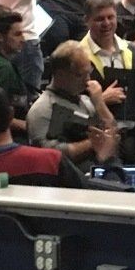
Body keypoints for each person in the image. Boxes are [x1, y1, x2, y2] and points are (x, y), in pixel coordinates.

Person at [25, 40, 122, 174]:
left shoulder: (87, 101)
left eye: (89, 72)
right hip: (67, 183)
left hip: (99, 174)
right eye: (80, 75)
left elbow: (113, 135)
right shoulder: (43, 109)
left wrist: (100, 104)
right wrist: (93, 143)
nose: (87, 79)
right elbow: (47, 154)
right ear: (60, 74)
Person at [79, 0, 135, 159]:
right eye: (100, 19)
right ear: (87, 20)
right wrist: (100, 101)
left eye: (111, 17)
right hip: (95, 141)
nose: (106, 23)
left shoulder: (133, 51)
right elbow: (63, 107)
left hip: (133, 139)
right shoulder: (75, 56)